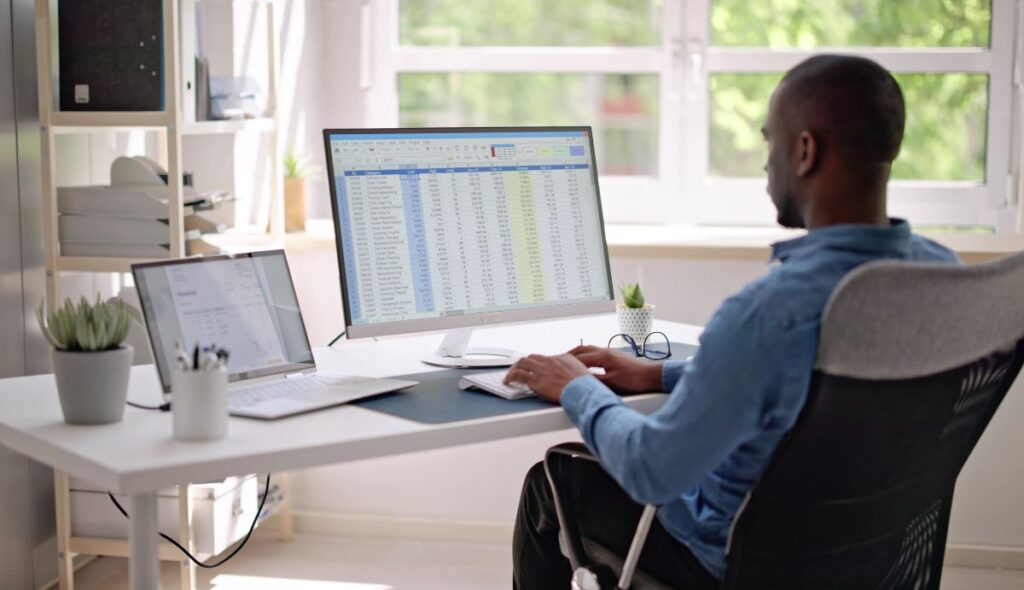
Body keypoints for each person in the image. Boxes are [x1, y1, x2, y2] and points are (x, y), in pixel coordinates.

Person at [506, 54, 962, 589]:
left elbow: (652, 468)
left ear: (805, 150)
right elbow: (797, 381)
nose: (766, 164)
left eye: (772, 141)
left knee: (551, 481)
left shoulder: (772, 310)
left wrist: (577, 388)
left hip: (740, 566)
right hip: (870, 563)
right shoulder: (940, 274)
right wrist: (656, 375)